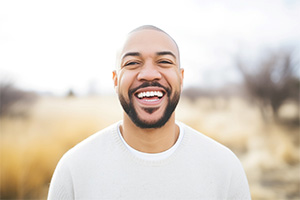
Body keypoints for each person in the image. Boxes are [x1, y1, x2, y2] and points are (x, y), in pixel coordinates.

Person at [48, 25, 251, 200]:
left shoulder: (225, 167)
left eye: (164, 62)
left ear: (181, 78)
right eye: (132, 63)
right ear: (115, 80)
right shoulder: (74, 169)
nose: (148, 74)